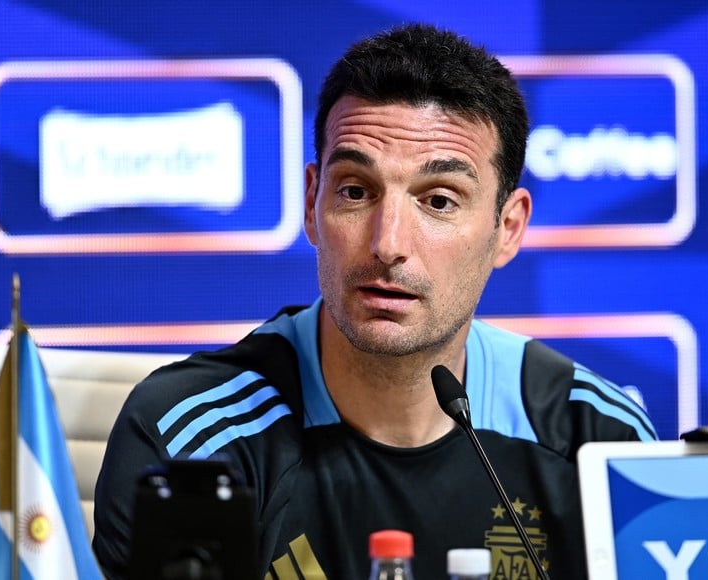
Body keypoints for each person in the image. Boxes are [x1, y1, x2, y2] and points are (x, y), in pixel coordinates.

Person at [93, 23, 657, 580]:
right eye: (356, 192)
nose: (388, 244)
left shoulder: (597, 441)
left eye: (438, 200)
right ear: (314, 202)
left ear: (507, 229)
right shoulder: (191, 448)